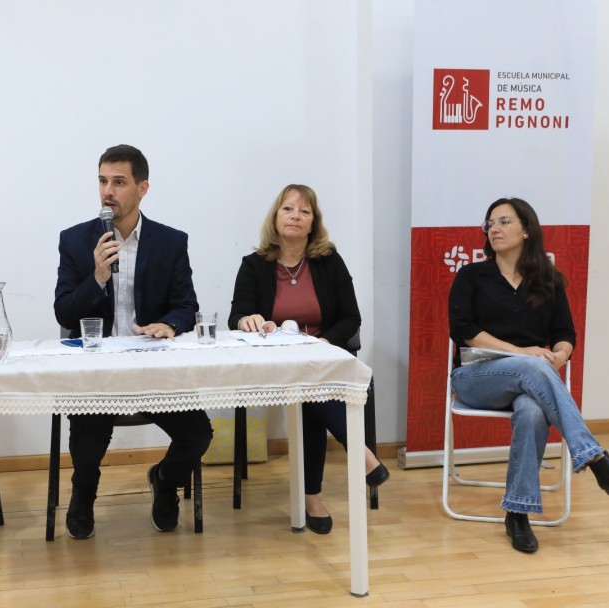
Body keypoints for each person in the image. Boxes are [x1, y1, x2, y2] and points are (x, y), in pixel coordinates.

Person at [448, 197, 609, 554]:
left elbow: (565, 333)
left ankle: (518, 512)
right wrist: (525, 353)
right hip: (477, 378)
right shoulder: (471, 275)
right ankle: (596, 459)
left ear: (526, 230)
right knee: (531, 365)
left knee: (532, 411)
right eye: (490, 223)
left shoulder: (548, 280)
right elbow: (463, 330)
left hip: (531, 380)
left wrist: (560, 355)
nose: (494, 228)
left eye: (504, 221)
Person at [53, 144, 213, 539]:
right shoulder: (76, 241)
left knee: (198, 435)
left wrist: (170, 325)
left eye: (119, 182)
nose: (108, 191)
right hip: (98, 372)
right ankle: (83, 491)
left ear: (142, 188)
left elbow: (186, 304)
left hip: (151, 366)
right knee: (88, 443)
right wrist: (97, 278)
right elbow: (63, 314)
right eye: (103, 181)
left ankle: (164, 480)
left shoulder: (170, 242)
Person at [227, 184, 389, 535]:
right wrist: (247, 320)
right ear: (275, 217)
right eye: (288, 209)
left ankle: (313, 497)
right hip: (276, 364)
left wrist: (324, 343)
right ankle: (355, 455)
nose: (295, 216)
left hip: (322, 357)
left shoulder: (328, 261)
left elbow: (351, 317)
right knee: (311, 387)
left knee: (312, 389)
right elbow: (236, 316)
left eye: (304, 211)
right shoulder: (254, 265)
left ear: (313, 222)